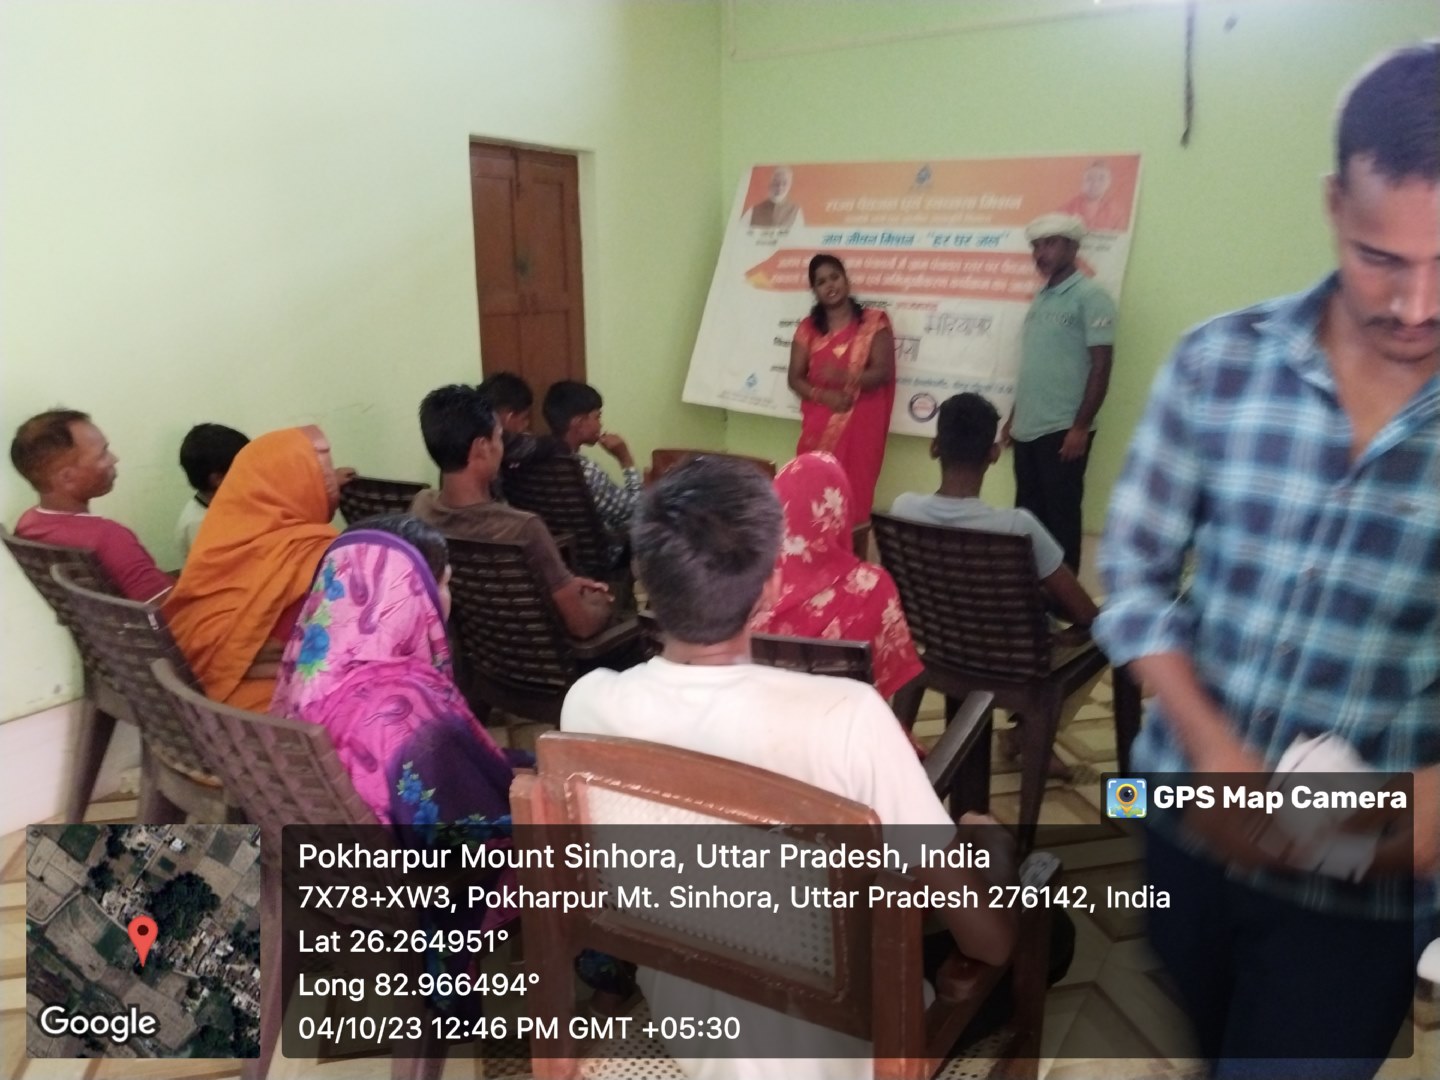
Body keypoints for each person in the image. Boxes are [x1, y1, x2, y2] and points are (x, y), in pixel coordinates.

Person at [1094, 43, 1439, 1078]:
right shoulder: (1219, 364)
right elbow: (1134, 573)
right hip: (1188, 828)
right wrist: (1210, 744)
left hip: (1367, 878)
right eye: (1382, 259)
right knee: (1213, 1038)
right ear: (1335, 204)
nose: (1415, 305)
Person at [562, 456, 1024, 1080]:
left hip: (691, 1033)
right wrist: (989, 851)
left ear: (643, 576)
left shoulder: (588, 706)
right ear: (771, 587)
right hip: (847, 1055)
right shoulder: (847, 717)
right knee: (1042, 932)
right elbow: (986, 942)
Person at [893, 392, 1100, 778]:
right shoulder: (1017, 527)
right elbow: (1085, 612)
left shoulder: (904, 509)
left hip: (939, 648)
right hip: (1013, 665)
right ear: (993, 453)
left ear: (935, 447)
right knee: (1104, 634)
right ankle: (1026, 734)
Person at [271, 514, 518, 829]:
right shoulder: (406, 709)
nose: (447, 598)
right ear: (410, 593)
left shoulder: (306, 678)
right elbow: (467, 827)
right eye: (443, 583)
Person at [410, 385, 614, 639]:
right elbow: (582, 626)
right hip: (540, 652)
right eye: (499, 437)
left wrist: (566, 584)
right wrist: (603, 602)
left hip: (479, 651)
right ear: (482, 447)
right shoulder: (522, 528)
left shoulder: (420, 508)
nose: (503, 447)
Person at [164, 426, 341, 712]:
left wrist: (244, 657)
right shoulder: (319, 556)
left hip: (216, 710)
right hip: (284, 716)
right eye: (322, 472)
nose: (330, 482)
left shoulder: (218, 540)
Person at [752, 452, 923, 702]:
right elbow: (889, 683)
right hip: (844, 723)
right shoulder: (872, 588)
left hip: (755, 722)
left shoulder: (746, 583)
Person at [1002, 212, 1116, 572]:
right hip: (1027, 428)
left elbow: (1101, 366)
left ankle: (1064, 601)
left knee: (1061, 519)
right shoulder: (1042, 296)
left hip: (1064, 431)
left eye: (1050, 244)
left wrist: (1080, 427)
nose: (1041, 253)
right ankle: (1029, 594)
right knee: (1027, 518)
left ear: (1072, 247)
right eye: (1036, 246)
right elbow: (1037, 363)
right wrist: (1014, 417)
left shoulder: (1092, 296)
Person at [10, 409, 173, 602]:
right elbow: (169, 607)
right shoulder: (109, 538)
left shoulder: (28, 524)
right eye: (102, 454)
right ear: (67, 478)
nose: (114, 459)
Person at [787, 254, 897, 526]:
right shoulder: (808, 330)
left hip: (862, 425)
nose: (830, 285)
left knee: (855, 497)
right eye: (821, 281)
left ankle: (852, 549)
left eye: (834, 277)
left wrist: (844, 376)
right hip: (819, 425)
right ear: (814, 290)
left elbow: (882, 372)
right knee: (812, 495)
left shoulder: (874, 323)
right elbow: (795, 378)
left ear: (846, 279)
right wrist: (824, 395)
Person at [542, 379, 643, 539]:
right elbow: (637, 510)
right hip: (598, 552)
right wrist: (625, 459)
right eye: (597, 417)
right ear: (579, 423)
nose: (600, 425)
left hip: (555, 549)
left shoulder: (534, 462)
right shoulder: (587, 472)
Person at [175, 423, 249, 561]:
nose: (252, 472)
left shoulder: (231, 501)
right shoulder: (198, 524)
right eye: (245, 467)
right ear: (218, 479)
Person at [1057, 159, 1129, 233]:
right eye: (1089, 178)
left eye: (1101, 178)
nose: (1095, 184)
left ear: (1109, 182)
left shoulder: (1117, 214)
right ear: (1082, 181)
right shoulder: (1065, 210)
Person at [745, 165, 801, 230]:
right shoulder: (754, 210)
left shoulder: (795, 211)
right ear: (770, 184)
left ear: (789, 185)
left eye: (784, 183)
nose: (780, 187)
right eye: (776, 182)